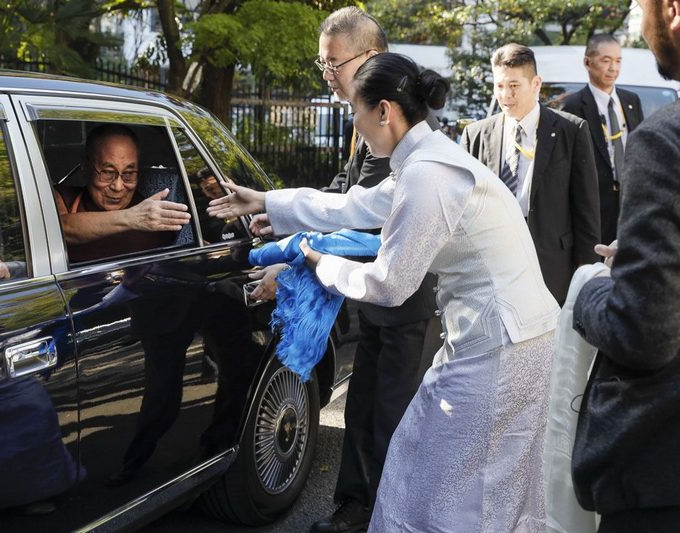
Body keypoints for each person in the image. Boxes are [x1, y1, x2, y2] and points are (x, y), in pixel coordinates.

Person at [209, 53, 559, 533]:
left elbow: (389, 285)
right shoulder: (427, 160)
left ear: (384, 111)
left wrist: (318, 262)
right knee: (478, 482)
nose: (353, 122)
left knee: (433, 477)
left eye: (355, 110)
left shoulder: (427, 174)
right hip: (513, 338)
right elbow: (353, 205)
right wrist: (269, 200)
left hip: (502, 347)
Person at [250, 8, 439, 532]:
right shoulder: (367, 122)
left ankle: (382, 517)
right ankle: (355, 511)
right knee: (362, 411)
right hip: (375, 296)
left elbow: (361, 221)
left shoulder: (403, 134)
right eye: (322, 63)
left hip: (405, 298)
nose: (327, 73)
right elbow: (343, 194)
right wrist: (279, 219)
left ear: (371, 58)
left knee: (391, 420)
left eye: (334, 62)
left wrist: (291, 264)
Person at [570, 0, 680, 530]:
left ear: (672, 10)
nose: (638, 16)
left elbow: (643, 332)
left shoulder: (664, 139)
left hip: (661, 472)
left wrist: (590, 293)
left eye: (640, 4)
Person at [461, 43, 601, 304]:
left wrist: (588, 275)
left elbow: (586, 210)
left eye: (514, 86)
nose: (505, 95)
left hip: (550, 264)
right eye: (499, 86)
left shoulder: (570, 131)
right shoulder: (476, 134)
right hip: (492, 264)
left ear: (536, 83)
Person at [53, 124, 191, 263]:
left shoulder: (154, 219)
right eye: (107, 172)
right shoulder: (64, 198)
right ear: (86, 167)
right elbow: (58, 229)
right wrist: (132, 218)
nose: (118, 187)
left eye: (129, 173)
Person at [559, 34, 644, 246]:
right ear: (588, 62)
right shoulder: (572, 107)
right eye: (606, 61)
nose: (613, 68)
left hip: (631, 205)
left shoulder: (631, 101)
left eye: (618, 61)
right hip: (592, 210)